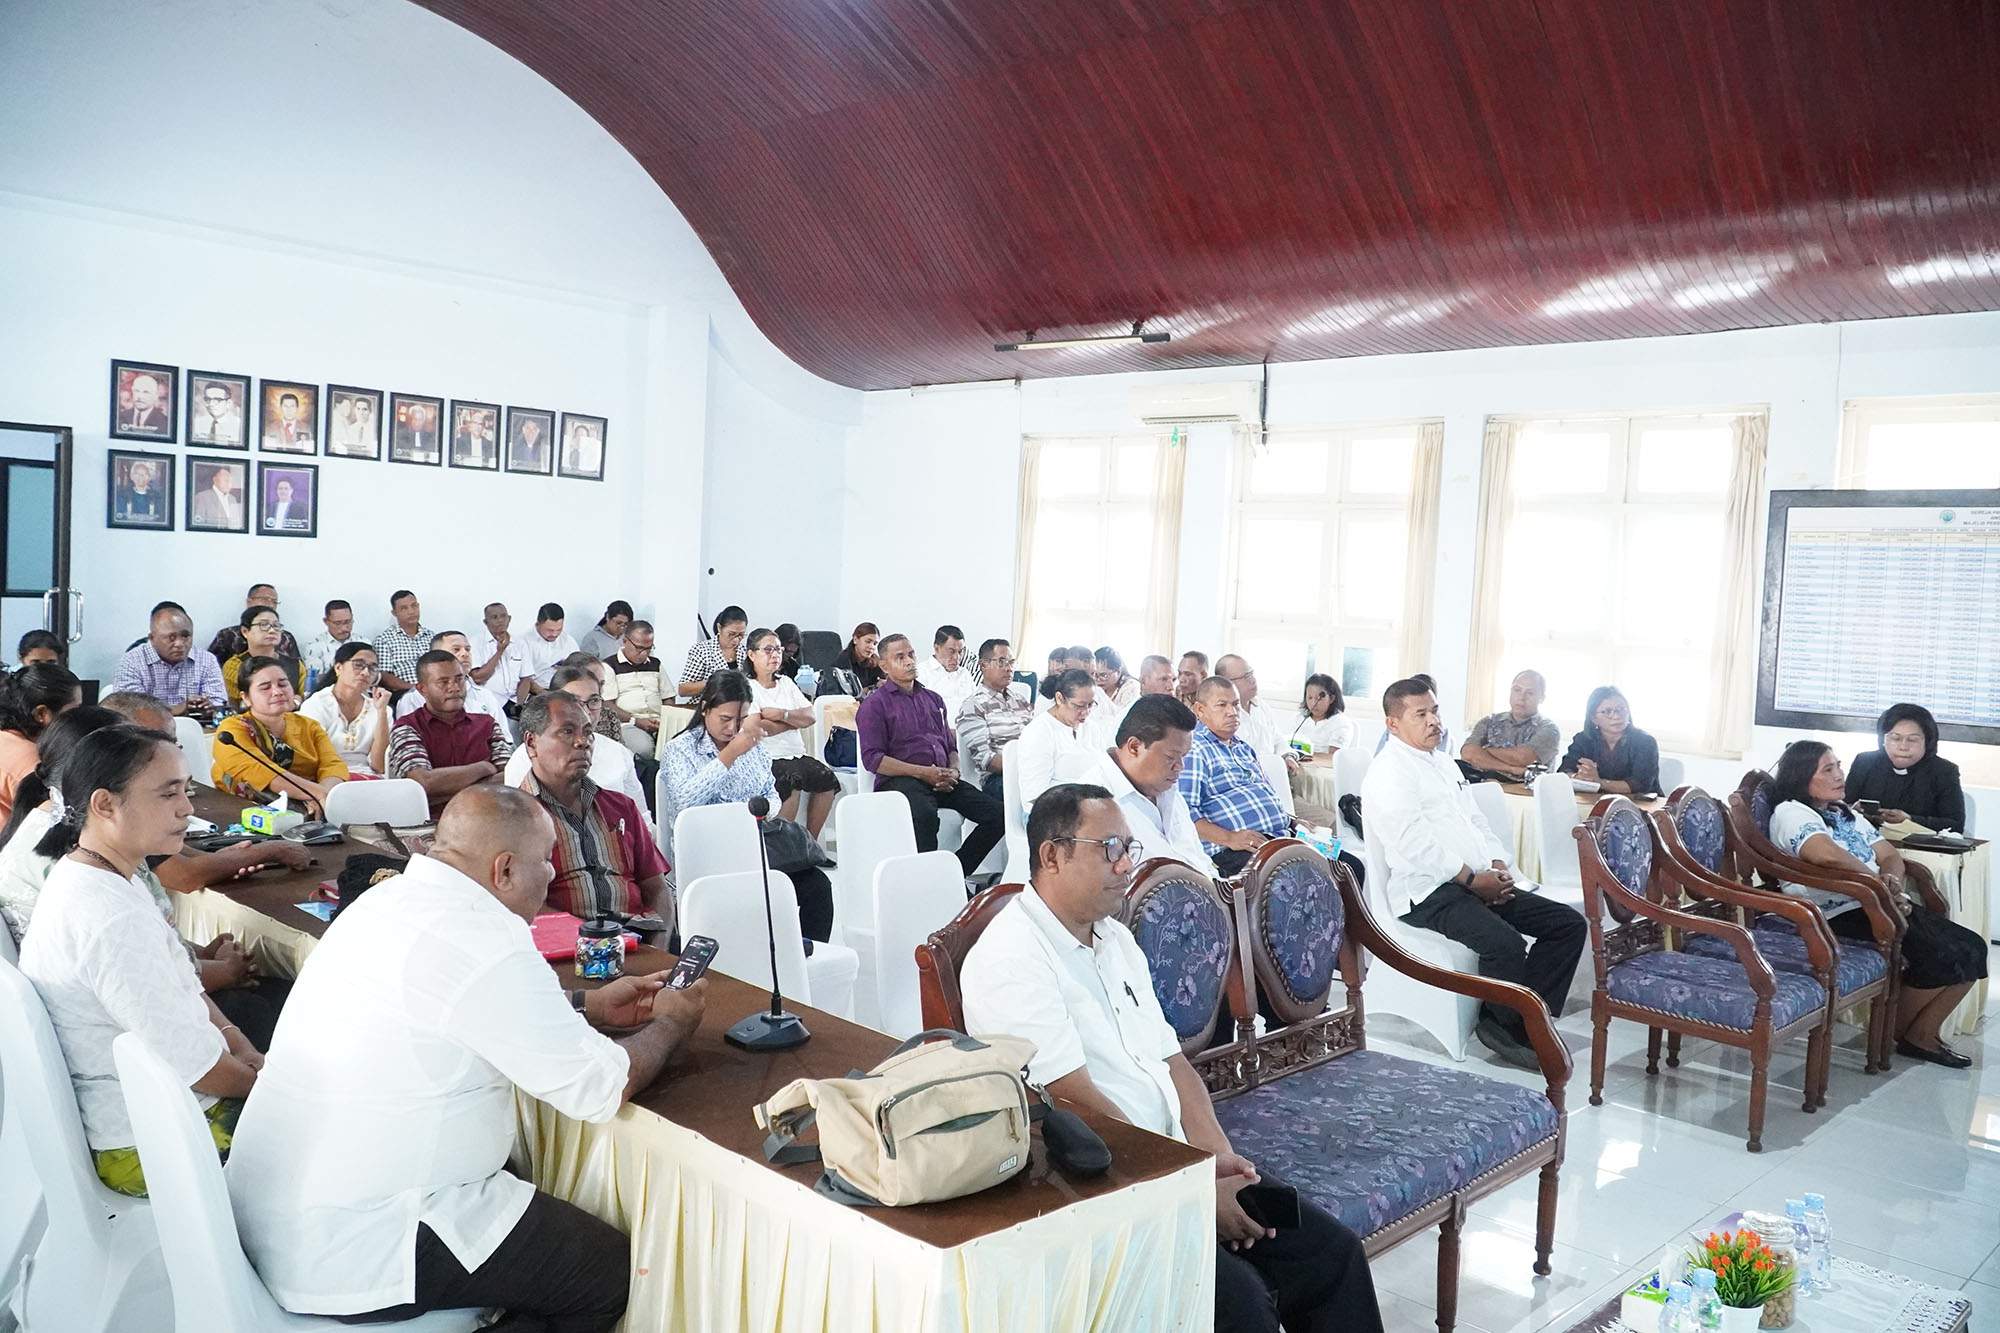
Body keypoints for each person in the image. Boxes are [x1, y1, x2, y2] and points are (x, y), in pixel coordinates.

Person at [226, 785, 706, 1327]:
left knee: (525, 1191)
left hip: (271, 1211)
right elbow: (599, 1088)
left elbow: (450, 1008)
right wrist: (672, 1022)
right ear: (504, 870)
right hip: (359, 1238)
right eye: (545, 862)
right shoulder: (485, 939)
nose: (553, 876)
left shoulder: (384, 902)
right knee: (602, 1271)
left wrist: (584, 1006)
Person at [960, 784, 1383, 1333]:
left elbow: (1172, 1062)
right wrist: (1190, 1193)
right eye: (1108, 847)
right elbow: (1074, 1109)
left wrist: (1218, 1161)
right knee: (1245, 1308)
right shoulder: (1012, 959)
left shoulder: (1113, 939)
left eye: (1129, 848)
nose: (1124, 865)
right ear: (1052, 855)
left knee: (1332, 1256)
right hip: (1100, 1190)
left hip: (1175, 1167)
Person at [21, 724, 260, 1197]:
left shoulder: (107, 877)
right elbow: (197, 1068)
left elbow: (182, 981)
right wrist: (263, 1082)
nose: (187, 808)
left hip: (162, 1110)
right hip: (150, 1143)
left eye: (186, 791)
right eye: (168, 794)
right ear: (104, 804)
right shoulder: (105, 916)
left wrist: (237, 1041)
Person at [4, 700, 304, 1048]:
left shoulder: (78, 839)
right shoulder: (86, 875)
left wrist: (195, 953)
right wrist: (224, 975)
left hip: (111, 1023)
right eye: (166, 790)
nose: (187, 807)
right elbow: (154, 1000)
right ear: (101, 792)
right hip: (114, 1041)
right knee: (285, 1014)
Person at [1364, 677, 1585, 1070]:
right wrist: (1470, 879)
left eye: (1435, 711)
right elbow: (1415, 846)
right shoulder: (1389, 772)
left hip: (1475, 880)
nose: (1434, 721)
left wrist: (1497, 866)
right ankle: (1508, 1027)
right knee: (1505, 944)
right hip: (1428, 892)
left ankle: (1518, 1019)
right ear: (1393, 724)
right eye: (1421, 714)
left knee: (1567, 925)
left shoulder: (1443, 762)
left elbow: (1475, 822)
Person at [1768, 740, 1985, 1067]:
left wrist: (1892, 882)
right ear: (1802, 777)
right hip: (1834, 912)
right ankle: (1895, 1031)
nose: (1840, 774)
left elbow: (1888, 854)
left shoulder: (1842, 813)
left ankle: (1919, 1035)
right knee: (1942, 955)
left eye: (1839, 765)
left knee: (1972, 947)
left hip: (1875, 901)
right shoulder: (1791, 812)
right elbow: (1822, 852)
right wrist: (1878, 886)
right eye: (1828, 769)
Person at [659, 671, 838, 940]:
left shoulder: (753, 746)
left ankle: (801, 958)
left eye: (741, 719)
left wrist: (767, 809)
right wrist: (729, 755)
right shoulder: (680, 750)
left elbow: (772, 792)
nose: (733, 728)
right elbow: (685, 804)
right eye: (725, 719)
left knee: (817, 886)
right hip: (708, 853)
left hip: (757, 847)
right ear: (705, 709)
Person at [511, 693, 671, 925]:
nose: (582, 741)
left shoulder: (620, 807)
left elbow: (657, 889)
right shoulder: (515, 816)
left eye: (587, 732)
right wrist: (597, 946)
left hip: (638, 941)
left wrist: (658, 951)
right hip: (563, 948)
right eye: (567, 731)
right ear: (531, 743)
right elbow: (524, 904)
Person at [857, 634, 1004, 877]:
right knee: (925, 816)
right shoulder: (875, 705)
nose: (909, 661)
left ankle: (951, 875)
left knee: (997, 815)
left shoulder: (932, 699)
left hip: (940, 778)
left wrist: (953, 770)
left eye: (911, 654)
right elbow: (873, 760)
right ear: (884, 666)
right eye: (899, 657)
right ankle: (923, 882)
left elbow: (950, 747)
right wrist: (924, 773)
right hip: (901, 781)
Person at [1056, 694, 1217, 877]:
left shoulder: (1166, 788)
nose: (1180, 766)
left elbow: (1197, 858)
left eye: (1184, 756)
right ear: (1134, 747)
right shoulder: (1091, 806)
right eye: (1170, 757)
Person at [1178, 676, 1291, 876]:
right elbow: (1184, 814)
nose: (1232, 712)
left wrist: (1294, 821)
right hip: (1233, 849)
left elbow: (1267, 796)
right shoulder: (1195, 749)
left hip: (1277, 838)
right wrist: (1230, 838)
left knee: (1347, 865)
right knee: (1295, 877)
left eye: (1236, 704)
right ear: (1200, 710)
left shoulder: (1244, 748)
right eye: (1222, 705)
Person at [212, 659, 348, 817]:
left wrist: (325, 796)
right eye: (265, 687)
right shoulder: (232, 730)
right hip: (243, 811)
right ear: (246, 698)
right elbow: (262, 773)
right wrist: (316, 793)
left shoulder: (310, 726)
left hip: (313, 810)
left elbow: (333, 766)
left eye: (283, 684)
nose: (277, 692)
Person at [502, 666, 648, 810]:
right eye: (572, 701)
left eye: (594, 700)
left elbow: (641, 817)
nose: (584, 711)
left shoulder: (617, 752)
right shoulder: (525, 757)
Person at [386, 651, 512, 814]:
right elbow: (423, 782)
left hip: (488, 816)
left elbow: (510, 777)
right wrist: (483, 768)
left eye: (459, 679)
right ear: (422, 689)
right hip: (433, 823)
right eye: (443, 682)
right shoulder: (406, 727)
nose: (454, 687)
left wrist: (444, 791)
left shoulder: (487, 724)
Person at [744, 628, 838, 838]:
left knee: (828, 780)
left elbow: (810, 716)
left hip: (796, 753)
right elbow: (757, 728)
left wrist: (780, 714)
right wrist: (793, 721)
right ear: (752, 654)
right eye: (768, 650)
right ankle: (785, 849)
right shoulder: (747, 687)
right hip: (767, 757)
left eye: (778, 649)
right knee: (791, 781)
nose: (775, 654)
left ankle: (809, 843)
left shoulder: (786, 682)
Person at [1846, 703, 1968, 833]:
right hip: (1867, 843)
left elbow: (1956, 824)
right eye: (1895, 738)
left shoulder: (1944, 771)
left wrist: (1910, 819)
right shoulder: (1865, 762)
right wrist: (1852, 810)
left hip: (1920, 849)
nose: (1903, 746)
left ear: (1928, 741)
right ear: (1883, 739)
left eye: (1912, 740)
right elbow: (1837, 807)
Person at [112, 602, 225, 718]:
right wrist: (176, 709)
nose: (180, 644)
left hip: (198, 729)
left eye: (185, 636)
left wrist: (209, 707)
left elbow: (219, 702)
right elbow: (129, 709)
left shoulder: (207, 659)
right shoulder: (132, 661)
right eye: (171, 638)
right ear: (152, 638)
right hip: (146, 733)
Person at [0, 663, 82, 821]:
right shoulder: (31, 762)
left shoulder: (5, 740)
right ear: (42, 714)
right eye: (74, 709)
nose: (78, 717)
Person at [957, 638, 1035, 802]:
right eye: (1001, 662)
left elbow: (1036, 741)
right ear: (983, 665)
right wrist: (1027, 768)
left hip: (1031, 771)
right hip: (999, 779)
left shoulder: (1021, 701)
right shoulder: (973, 706)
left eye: (1011, 662)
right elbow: (986, 760)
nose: (1009, 668)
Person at [297, 642, 393, 774]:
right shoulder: (317, 704)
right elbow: (311, 760)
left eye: (372, 668)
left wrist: (381, 712)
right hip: (326, 776)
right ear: (338, 668)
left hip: (369, 779)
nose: (365, 672)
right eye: (358, 665)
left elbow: (379, 766)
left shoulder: (381, 708)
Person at [1013, 669, 1097, 812]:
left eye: (1091, 705)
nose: (1086, 712)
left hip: (1086, 807)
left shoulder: (1091, 727)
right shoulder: (1039, 732)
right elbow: (1035, 796)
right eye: (1079, 706)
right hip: (1048, 813)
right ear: (1059, 698)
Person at [1559, 686, 1662, 795]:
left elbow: (1640, 784)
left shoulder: (1645, 742)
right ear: (1593, 718)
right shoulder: (1583, 740)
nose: (1617, 716)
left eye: (1621, 709)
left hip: (1641, 804)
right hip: (1595, 802)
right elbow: (1564, 772)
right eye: (1607, 711)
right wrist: (1579, 776)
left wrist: (1599, 782)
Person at [1461, 670, 1561, 780]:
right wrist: (1510, 768)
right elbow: (1468, 754)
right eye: (1517, 690)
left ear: (1541, 698)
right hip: (1487, 787)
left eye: (1530, 693)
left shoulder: (1549, 729)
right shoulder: (1489, 722)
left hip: (1527, 793)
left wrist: (1484, 751)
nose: (1522, 697)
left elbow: (1523, 758)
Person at [394, 632, 507, 722]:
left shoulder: (485, 695)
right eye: (456, 649)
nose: (465, 654)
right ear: (436, 654)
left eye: (467, 649)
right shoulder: (413, 699)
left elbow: (504, 740)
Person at [220, 604, 305, 709]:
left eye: (276, 625)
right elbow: (243, 704)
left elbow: (305, 698)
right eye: (263, 625)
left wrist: (296, 701)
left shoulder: (296, 665)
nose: (272, 630)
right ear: (245, 631)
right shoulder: (235, 665)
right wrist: (292, 701)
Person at [207, 585, 305, 664]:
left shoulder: (286, 638)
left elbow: (298, 670)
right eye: (265, 599)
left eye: (274, 602)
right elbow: (210, 669)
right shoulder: (227, 636)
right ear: (249, 602)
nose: (270, 605)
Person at [607, 620, 664, 739]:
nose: (644, 654)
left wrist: (666, 719)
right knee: (644, 749)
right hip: (629, 723)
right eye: (639, 648)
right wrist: (635, 720)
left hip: (659, 721)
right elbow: (607, 704)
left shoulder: (655, 664)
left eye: (648, 648)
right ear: (625, 641)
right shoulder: (609, 665)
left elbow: (668, 697)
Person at [371, 589, 433, 695]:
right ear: (394, 613)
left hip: (435, 690)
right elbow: (384, 676)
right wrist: (416, 688)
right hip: (407, 693)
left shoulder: (432, 637)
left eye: (414, 606)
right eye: (404, 608)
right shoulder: (384, 640)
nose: (411, 611)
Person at [678, 604, 748, 698]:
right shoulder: (702, 650)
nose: (736, 639)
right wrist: (717, 683)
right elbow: (683, 689)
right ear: (719, 628)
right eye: (731, 634)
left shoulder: (746, 652)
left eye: (741, 635)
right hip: (708, 706)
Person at [917, 624, 978, 722]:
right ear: (937, 648)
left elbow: (976, 705)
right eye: (951, 651)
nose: (957, 657)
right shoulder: (921, 673)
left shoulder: (965, 674)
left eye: (960, 652)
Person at [1288, 673, 1355, 762]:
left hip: (1324, 770)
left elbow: (1333, 757)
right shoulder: (1299, 718)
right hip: (1296, 765)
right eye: (1310, 697)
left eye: (1319, 698)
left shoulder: (1341, 723)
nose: (1313, 703)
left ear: (1331, 699)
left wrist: (1303, 756)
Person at [519, 603, 581, 698]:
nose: (555, 634)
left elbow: (579, 668)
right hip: (536, 693)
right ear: (538, 624)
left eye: (559, 629)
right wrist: (543, 693)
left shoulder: (568, 641)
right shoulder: (523, 642)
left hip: (565, 691)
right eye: (550, 630)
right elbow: (524, 678)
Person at [471, 601, 526, 704]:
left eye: (503, 616)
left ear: (509, 619)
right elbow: (478, 678)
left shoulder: (520, 643)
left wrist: (519, 705)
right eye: (494, 617)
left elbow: (525, 678)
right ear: (485, 622)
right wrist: (500, 651)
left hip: (515, 702)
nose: (500, 620)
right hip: (487, 703)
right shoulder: (475, 643)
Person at [818, 621, 883, 697]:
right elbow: (851, 693)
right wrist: (872, 688)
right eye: (868, 642)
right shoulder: (843, 660)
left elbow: (883, 680)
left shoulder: (875, 660)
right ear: (855, 639)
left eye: (875, 643)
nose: (872, 647)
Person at [301, 599, 354, 690]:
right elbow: (317, 679)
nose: (344, 628)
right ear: (326, 621)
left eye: (347, 622)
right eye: (338, 623)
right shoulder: (314, 646)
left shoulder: (364, 642)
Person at [190, 379, 244, 446]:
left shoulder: (239, 426)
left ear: (228, 403)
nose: (211, 404)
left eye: (217, 400)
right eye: (208, 399)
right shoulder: (197, 423)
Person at [191, 462, 244, 528]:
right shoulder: (202, 497)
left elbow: (237, 524)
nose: (229, 484)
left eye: (231, 481)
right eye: (226, 480)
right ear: (215, 480)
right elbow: (197, 525)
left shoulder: (232, 499)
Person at [114, 459, 164, 523]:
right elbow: (118, 516)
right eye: (136, 474)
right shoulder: (122, 494)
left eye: (144, 474)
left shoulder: (157, 496)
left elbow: (161, 517)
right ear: (131, 476)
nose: (140, 477)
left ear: (149, 477)